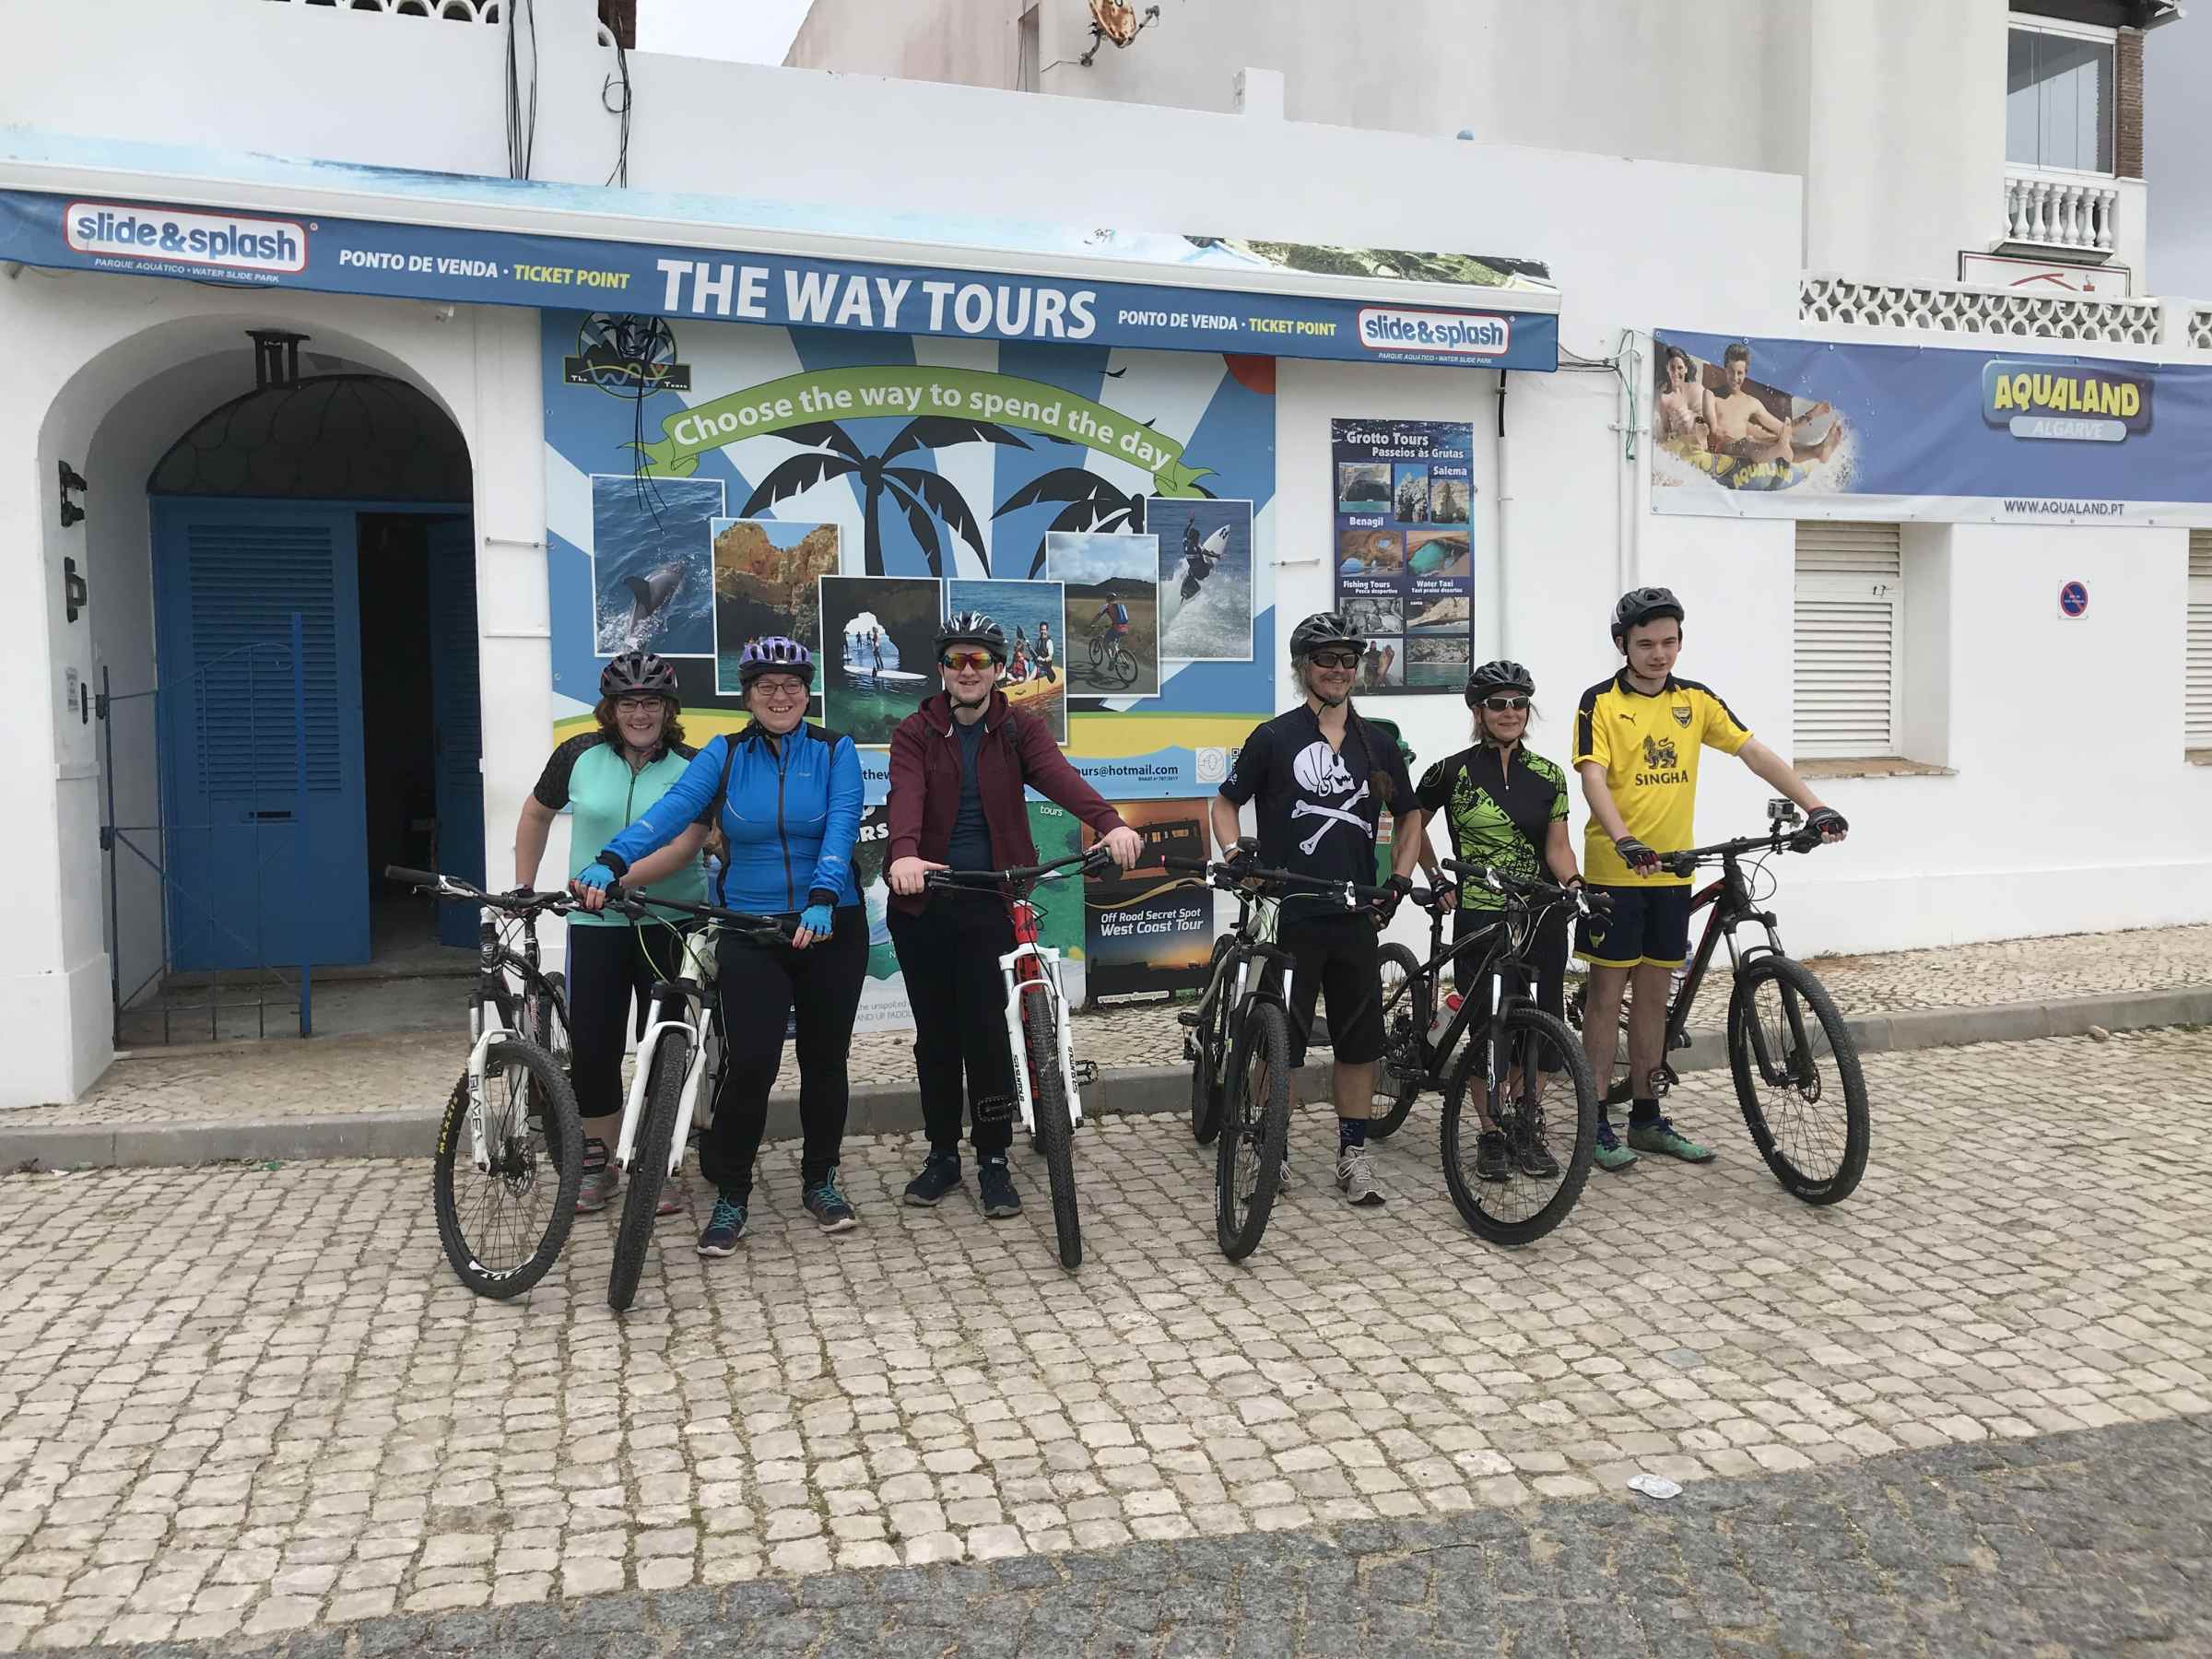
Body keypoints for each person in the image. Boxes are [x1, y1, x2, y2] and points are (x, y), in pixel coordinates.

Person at [571, 637, 867, 1252]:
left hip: (828, 923)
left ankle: (821, 1180)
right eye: (766, 685)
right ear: (749, 695)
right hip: (749, 926)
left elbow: (842, 824)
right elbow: (674, 811)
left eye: (791, 684)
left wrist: (822, 893)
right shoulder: (725, 754)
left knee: (824, 1060)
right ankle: (732, 1192)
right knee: (751, 1063)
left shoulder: (836, 750)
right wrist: (612, 858)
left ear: (807, 691)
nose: (779, 695)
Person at [1574, 587, 1848, 1171]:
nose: (1658, 654)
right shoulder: (1599, 702)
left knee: (1654, 997)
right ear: (1622, 644)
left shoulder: (1694, 700)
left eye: (1669, 642)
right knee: (1606, 999)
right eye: (1645, 643)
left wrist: (1814, 805)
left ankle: (1646, 1117)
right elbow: (1593, 778)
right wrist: (1623, 838)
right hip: (1616, 873)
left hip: (1673, 870)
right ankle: (1594, 1121)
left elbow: (1754, 752)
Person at [884, 612, 1144, 1218]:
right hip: (923, 901)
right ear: (942, 670)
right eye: (956, 661)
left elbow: (1059, 779)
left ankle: (993, 1158)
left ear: (999, 670)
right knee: (937, 1039)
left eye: (979, 661)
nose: (967, 671)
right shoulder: (914, 732)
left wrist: (1108, 822)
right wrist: (903, 857)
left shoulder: (1019, 729)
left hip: (989, 898)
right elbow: (906, 798)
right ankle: (942, 1153)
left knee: (987, 1035)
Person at [1212, 613, 1422, 1206]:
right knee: (1275, 1041)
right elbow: (1224, 803)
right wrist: (1234, 853)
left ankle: (1352, 1152)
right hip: (1290, 911)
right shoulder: (1274, 737)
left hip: (1354, 914)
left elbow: (1410, 813)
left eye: (1347, 661)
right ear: (1304, 667)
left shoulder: (1377, 742)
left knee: (1359, 1044)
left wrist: (1401, 876)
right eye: (1325, 659)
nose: (1338, 670)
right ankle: (1263, 1143)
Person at [512, 652, 710, 1215]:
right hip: (593, 922)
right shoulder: (577, 754)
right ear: (611, 709)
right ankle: (597, 1163)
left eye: (651, 703)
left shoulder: (692, 764)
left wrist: (619, 875)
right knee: (595, 1045)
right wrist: (524, 887)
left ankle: (656, 1161)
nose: (640, 713)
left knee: (667, 1045)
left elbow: (685, 845)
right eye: (629, 703)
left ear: (668, 709)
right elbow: (535, 814)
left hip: (669, 919)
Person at [1415, 661, 1581, 1182]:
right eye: (1497, 703)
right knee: (1488, 1025)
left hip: (1542, 912)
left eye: (1518, 703)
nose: (1509, 713)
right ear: (1477, 710)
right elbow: (1410, 825)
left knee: (1543, 1025)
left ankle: (1525, 1119)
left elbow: (1557, 846)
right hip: (1482, 916)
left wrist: (1574, 885)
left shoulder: (1550, 775)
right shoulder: (1451, 772)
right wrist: (1437, 877)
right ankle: (1489, 1128)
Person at [1705, 342, 1841, 466]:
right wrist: (1724, 435)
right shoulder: (1711, 395)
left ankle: (1817, 451)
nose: (1735, 378)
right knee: (1747, 442)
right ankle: (1779, 450)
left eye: (1739, 373)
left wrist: (1812, 414)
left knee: (1775, 438)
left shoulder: (1752, 403)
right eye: (1731, 372)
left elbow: (1784, 428)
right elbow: (1713, 429)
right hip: (1722, 449)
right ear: (1725, 369)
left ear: (1746, 373)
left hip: (1745, 452)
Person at [1032, 620, 1058, 684]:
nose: (1043, 632)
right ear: (1039, 630)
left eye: (1044, 630)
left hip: (1045, 668)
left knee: (1035, 669)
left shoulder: (1049, 642)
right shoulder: (1038, 641)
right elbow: (1035, 654)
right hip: (1038, 665)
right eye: (1041, 630)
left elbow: (1050, 657)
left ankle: (1026, 683)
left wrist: (1043, 659)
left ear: (1047, 630)